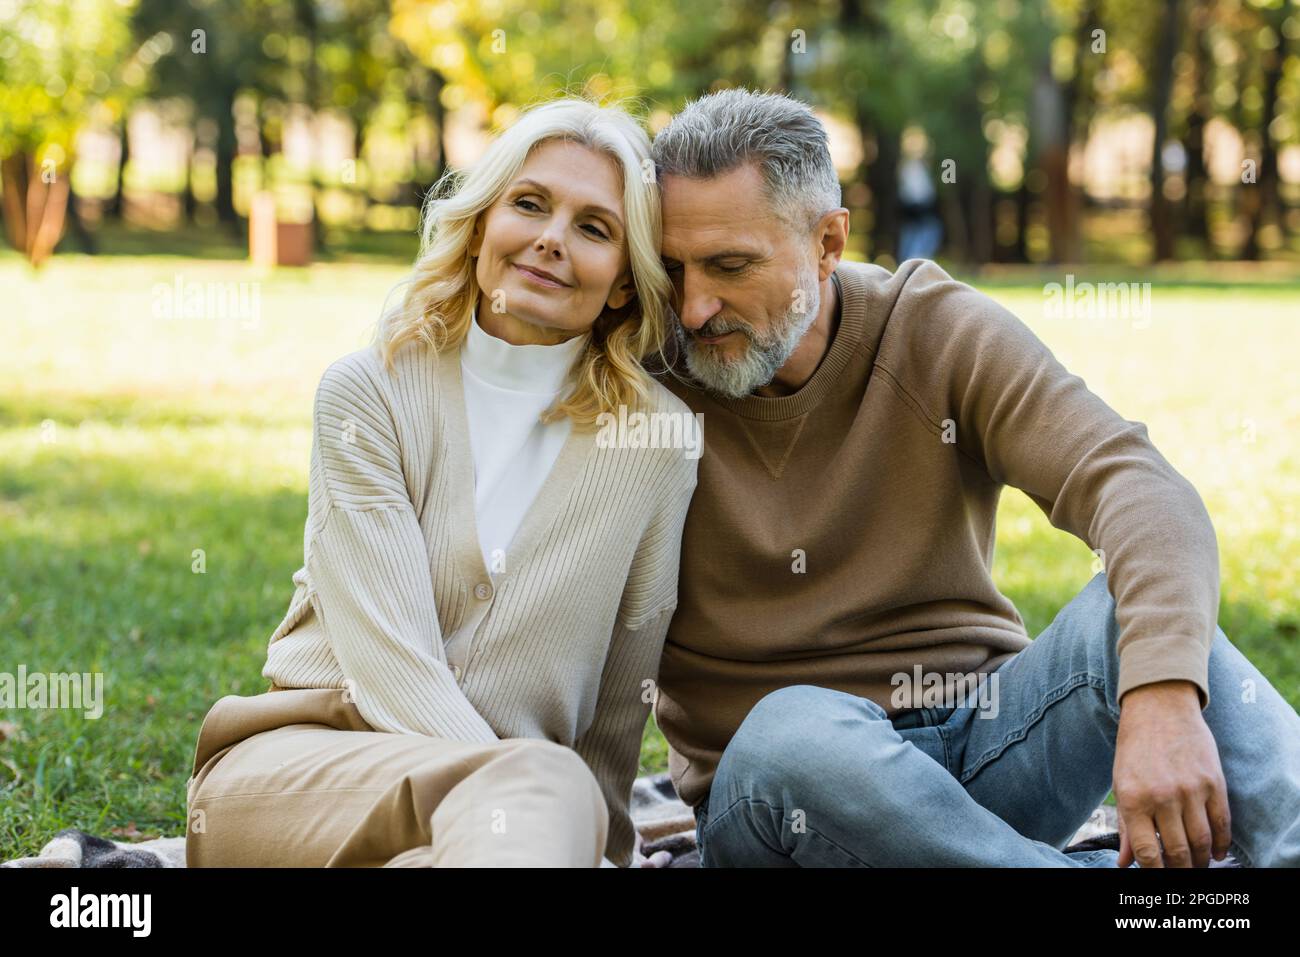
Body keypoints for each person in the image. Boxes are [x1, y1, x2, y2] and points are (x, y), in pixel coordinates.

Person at [647, 87, 1300, 867]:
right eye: (672, 267)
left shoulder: (930, 328)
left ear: (827, 243)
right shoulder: (637, 372)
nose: (692, 306)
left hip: (985, 755)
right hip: (781, 799)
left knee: (1136, 621)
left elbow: (1137, 486)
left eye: (729, 265)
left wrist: (1163, 697)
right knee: (793, 730)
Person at [185, 96, 698, 868]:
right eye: (529, 205)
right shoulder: (371, 391)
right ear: (484, 222)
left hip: (502, 832)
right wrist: (537, 794)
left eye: (594, 228)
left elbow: (622, 700)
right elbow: (390, 661)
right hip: (304, 773)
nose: (552, 240)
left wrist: (597, 844)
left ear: (625, 282)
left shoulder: (657, 442)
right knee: (545, 791)